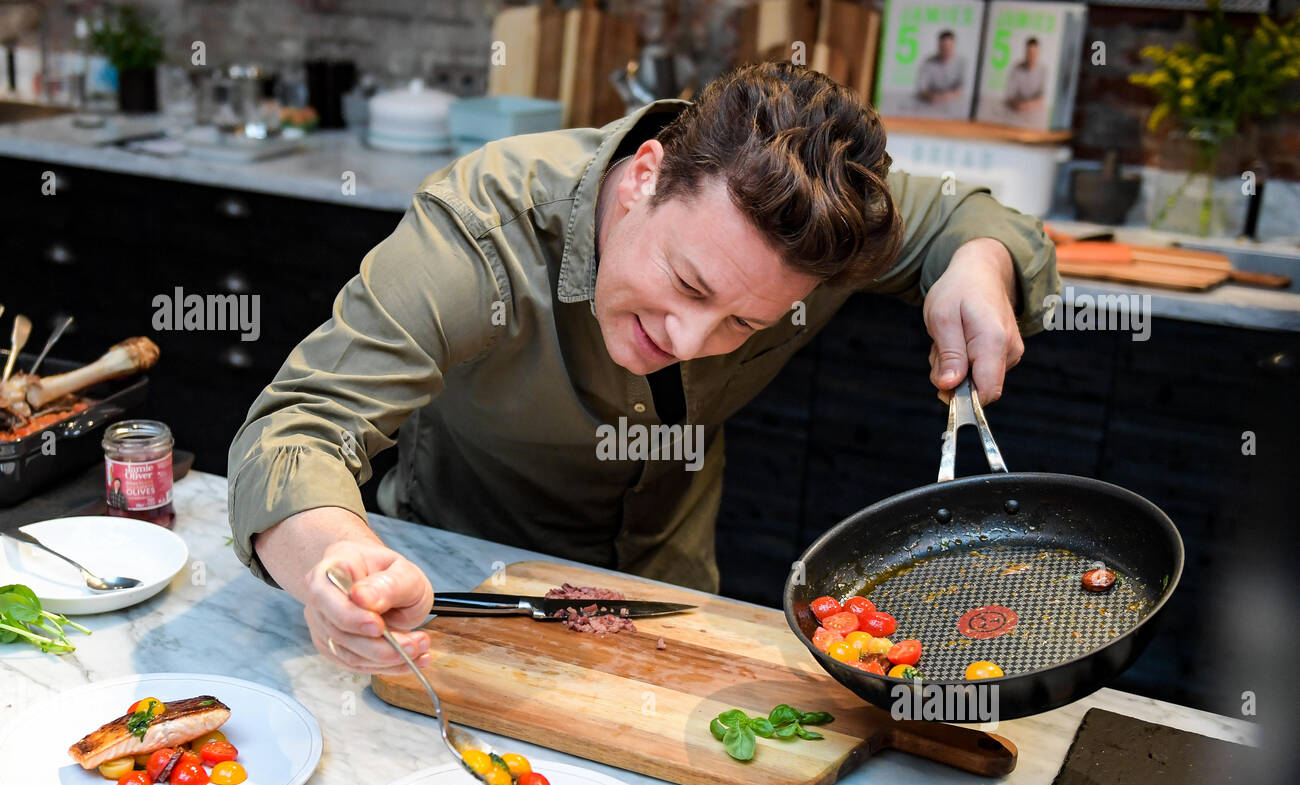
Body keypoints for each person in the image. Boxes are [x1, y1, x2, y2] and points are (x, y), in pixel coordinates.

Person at [227, 63, 1059, 674]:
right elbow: (299, 426)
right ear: (646, 177)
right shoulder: (485, 226)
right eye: (688, 282)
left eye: (744, 322)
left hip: (675, 602)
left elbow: (964, 213)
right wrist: (339, 564)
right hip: (454, 594)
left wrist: (978, 264)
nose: (692, 338)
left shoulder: (824, 227)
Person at [916, 30, 966, 106]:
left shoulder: (962, 62)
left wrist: (945, 97)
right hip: (930, 103)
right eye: (943, 47)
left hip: (954, 104)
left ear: (954, 46)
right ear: (938, 46)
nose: (946, 50)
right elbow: (921, 88)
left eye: (949, 47)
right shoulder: (928, 62)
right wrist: (932, 97)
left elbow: (962, 89)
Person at [1004, 37, 1047, 115]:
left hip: (1034, 111)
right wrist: (1020, 105)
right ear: (1025, 53)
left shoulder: (1043, 70)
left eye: (1034, 53)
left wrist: (1027, 105)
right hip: (1015, 110)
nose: (1031, 56)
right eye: (1029, 53)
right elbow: (1009, 96)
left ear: (1038, 53)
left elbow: (1042, 99)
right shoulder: (1016, 69)